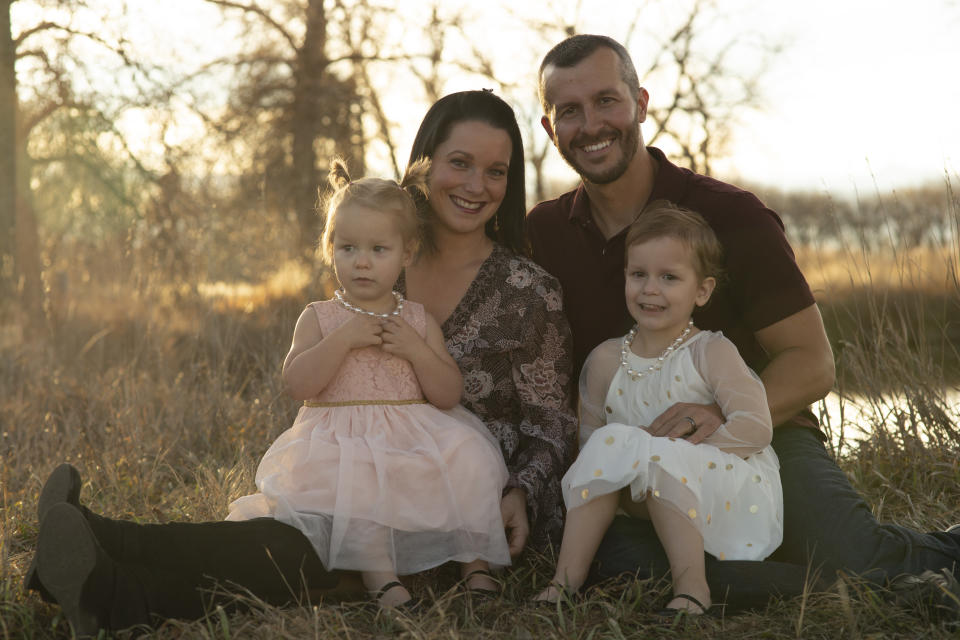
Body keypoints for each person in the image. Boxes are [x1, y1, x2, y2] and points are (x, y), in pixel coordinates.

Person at [25, 89, 577, 635]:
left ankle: (106, 560)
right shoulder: (378, 258)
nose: (477, 185)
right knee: (290, 541)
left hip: (456, 499)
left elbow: (551, 423)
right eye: (460, 163)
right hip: (359, 470)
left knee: (296, 556)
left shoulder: (527, 290)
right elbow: (321, 376)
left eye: (496, 171)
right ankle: (105, 566)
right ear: (423, 167)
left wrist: (518, 491)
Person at [527, 33, 960, 603]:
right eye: (570, 111)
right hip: (638, 462)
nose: (592, 124)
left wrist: (716, 416)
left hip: (760, 438)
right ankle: (834, 590)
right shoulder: (542, 235)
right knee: (620, 561)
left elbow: (812, 364)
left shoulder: (730, 215)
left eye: (607, 100)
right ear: (549, 128)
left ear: (641, 103)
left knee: (849, 551)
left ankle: (874, 570)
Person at [225, 158, 511, 609]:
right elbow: (297, 383)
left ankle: (474, 564)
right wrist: (341, 341)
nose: (362, 262)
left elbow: (447, 393)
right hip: (342, 441)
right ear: (329, 247)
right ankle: (381, 576)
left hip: (411, 439)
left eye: (379, 250)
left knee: (470, 457)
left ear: (407, 254)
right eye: (348, 249)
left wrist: (416, 351)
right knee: (358, 478)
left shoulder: (417, 319)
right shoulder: (320, 317)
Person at [534, 202, 781, 615]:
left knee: (661, 454)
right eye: (639, 275)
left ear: (701, 291)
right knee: (612, 440)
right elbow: (591, 448)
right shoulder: (605, 361)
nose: (650, 289)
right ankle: (565, 581)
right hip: (639, 496)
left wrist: (676, 456)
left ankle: (692, 590)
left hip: (719, 489)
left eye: (669, 277)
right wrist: (636, 471)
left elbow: (756, 427)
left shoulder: (711, 351)